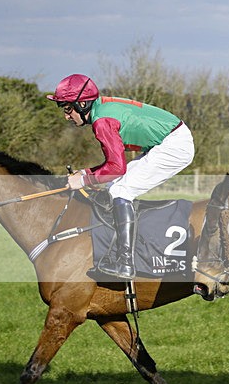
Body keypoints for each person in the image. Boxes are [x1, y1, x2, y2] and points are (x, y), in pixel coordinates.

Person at [47, 74, 195, 279]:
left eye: (67, 108)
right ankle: (116, 248)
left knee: (120, 189)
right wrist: (87, 173)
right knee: (113, 187)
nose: (66, 116)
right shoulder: (101, 109)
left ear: (82, 103)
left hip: (174, 146)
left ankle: (125, 262)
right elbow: (114, 166)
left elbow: (117, 168)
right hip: (167, 141)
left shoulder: (102, 122)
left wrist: (82, 180)